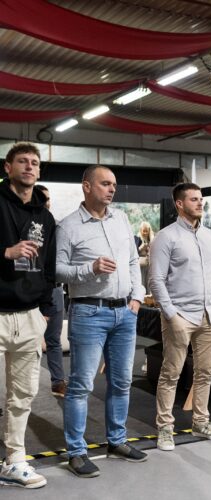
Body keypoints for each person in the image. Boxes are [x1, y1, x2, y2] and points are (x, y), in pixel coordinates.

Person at [56, 165, 147, 478]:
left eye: (114, 185)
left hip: (125, 313)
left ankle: (117, 441)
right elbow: (57, 271)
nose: (111, 189)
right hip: (88, 312)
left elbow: (132, 261)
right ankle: (76, 451)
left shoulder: (121, 219)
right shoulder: (68, 226)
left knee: (121, 382)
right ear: (87, 186)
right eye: (105, 184)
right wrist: (90, 268)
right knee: (81, 385)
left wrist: (137, 298)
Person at [149, 182, 211, 451]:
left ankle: (201, 422)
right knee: (171, 373)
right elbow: (156, 280)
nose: (200, 203)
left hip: (210, 316)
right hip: (180, 316)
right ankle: (165, 428)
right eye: (194, 199)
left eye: (200, 199)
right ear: (179, 204)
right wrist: (171, 315)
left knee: (205, 372)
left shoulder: (210, 236)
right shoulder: (166, 237)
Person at [0, 142, 56, 489]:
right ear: (8, 167)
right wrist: (6, 252)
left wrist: (46, 312)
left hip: (30, 315)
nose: (30, 166)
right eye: (22, 161)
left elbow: (48, 268)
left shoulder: (44, 217)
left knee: (22, 395)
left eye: (35, 162)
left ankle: (15, 460)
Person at [38, 184, 66, 397]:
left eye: (47, 199)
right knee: (23, 343)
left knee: (54, 339)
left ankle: (58, 381)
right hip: (31, 291)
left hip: (55, 290)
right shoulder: (22, 226)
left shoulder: (57, 227)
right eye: (42, 198)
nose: (46, 203)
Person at [137, 221, 154, 294]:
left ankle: (148, 297)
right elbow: (134, 252)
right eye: (144, 231)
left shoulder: (151, 239)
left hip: (149, 264)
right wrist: (141, 248)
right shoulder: (137, 238)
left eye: (147, 231)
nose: (145, 233)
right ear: (141, 230)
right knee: (142, 282)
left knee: (149, 283)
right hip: (141, 265)